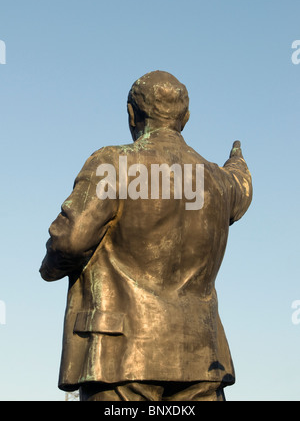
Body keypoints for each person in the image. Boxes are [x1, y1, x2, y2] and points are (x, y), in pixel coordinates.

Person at [39, 70, 252, 401]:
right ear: (186, 118)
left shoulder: (113, 164)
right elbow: (241, 188)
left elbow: (71, 239)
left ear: (131, 113)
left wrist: (50, 267)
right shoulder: (216, 180)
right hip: (201, 361)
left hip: (119, 360)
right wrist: (237, 161)